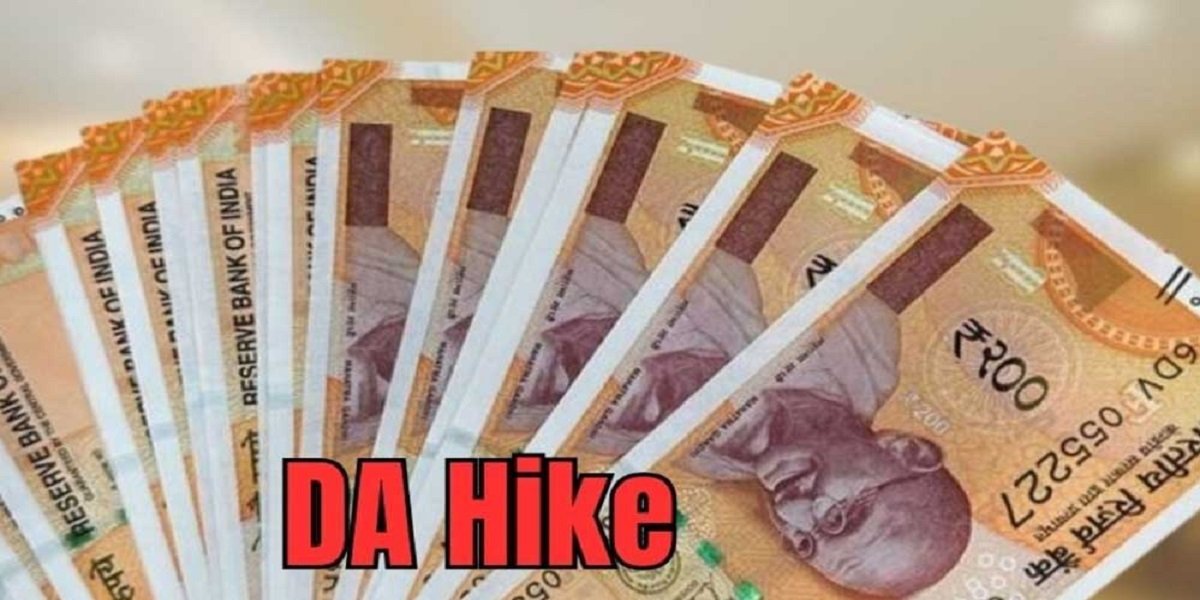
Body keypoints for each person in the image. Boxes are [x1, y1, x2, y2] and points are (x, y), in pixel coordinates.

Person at [687, 294, 972, 597]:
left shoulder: (701, 458)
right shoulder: (859, 336)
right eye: (839, 517)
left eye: (804, 543)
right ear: (905, 451)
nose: (787, 512)